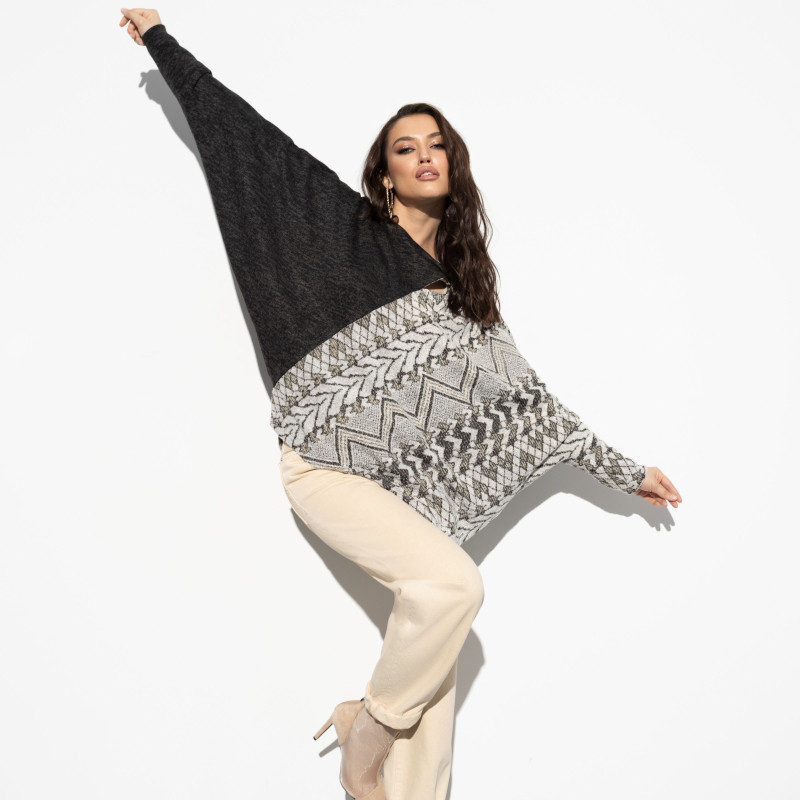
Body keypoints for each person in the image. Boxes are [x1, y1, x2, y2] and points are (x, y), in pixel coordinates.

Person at [119, 8, 683, 800]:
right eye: (405, 147)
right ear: (384, 173)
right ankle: (367, 729)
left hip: (406, 493)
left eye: (436, 144)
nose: (423, 156)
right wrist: (163, 43)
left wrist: (627, 471)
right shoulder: (342, 233)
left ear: (454, 165)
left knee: (434, 653)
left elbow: (532, 403)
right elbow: (247, 141)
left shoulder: (463, 293)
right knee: (455, 590)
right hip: (325, 469)